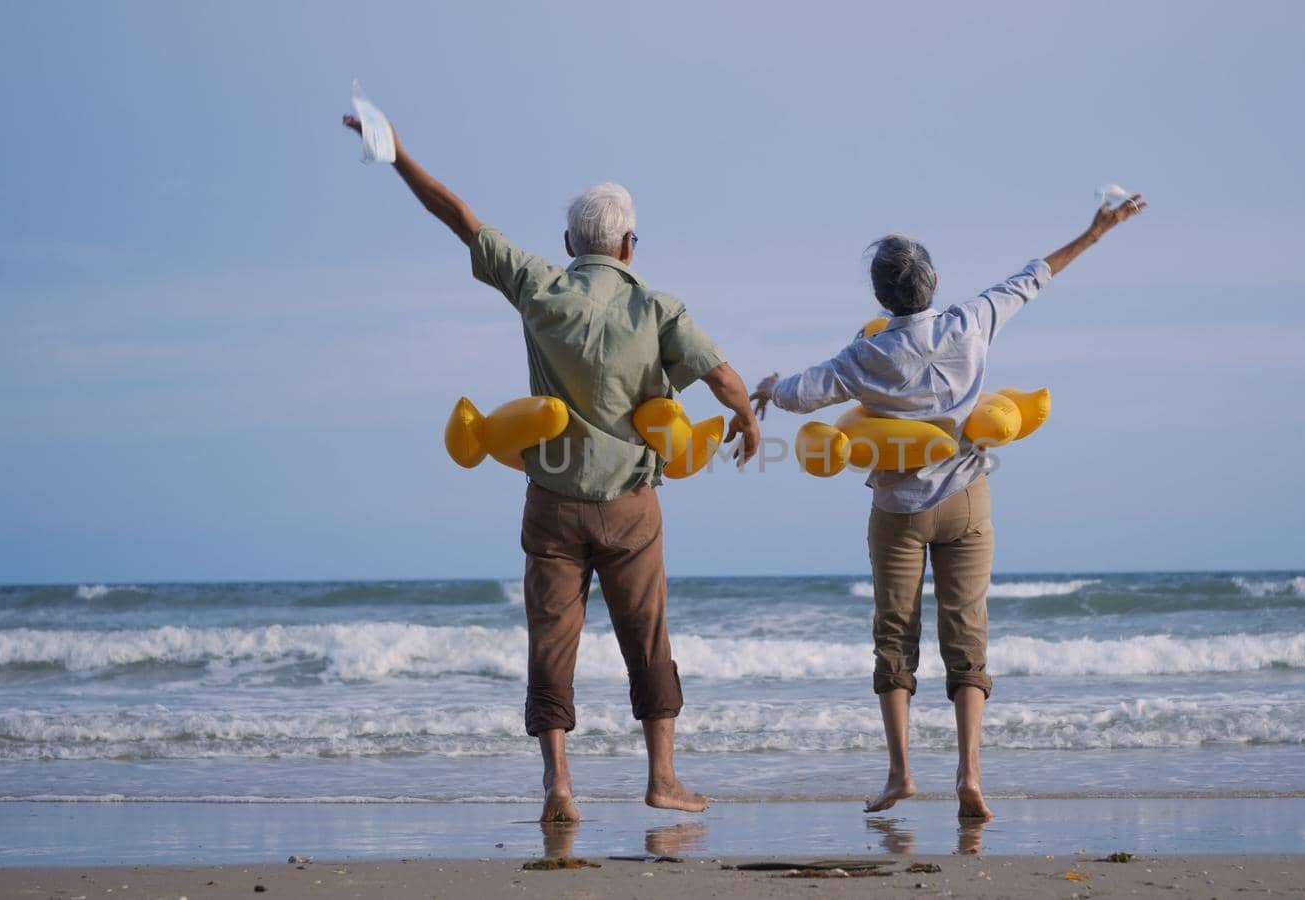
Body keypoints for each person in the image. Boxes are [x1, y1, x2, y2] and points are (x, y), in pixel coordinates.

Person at [342, 114, 761, 822]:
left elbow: (461, 219)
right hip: (631, 505)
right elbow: (720, 376)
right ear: (630, 244)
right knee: (646, 637)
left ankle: (558, 785)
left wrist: (398, 154)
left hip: (552, 503)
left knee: (551, 638)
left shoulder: (540, 285)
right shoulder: (658, 306)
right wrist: (748, 420)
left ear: (571, 245)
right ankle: (662, 779)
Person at [751, 196, 1147, 819]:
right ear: (933, 282)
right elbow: (1034, 276)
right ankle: (970, 776)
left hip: (899, 509)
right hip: (967, 500)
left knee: (894, 638)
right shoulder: (971, 322)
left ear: (882, 300)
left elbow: (804, 394)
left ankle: (901, 774)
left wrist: (769, 388)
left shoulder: (866, 355)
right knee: (967, 639)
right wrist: (1096, 231)